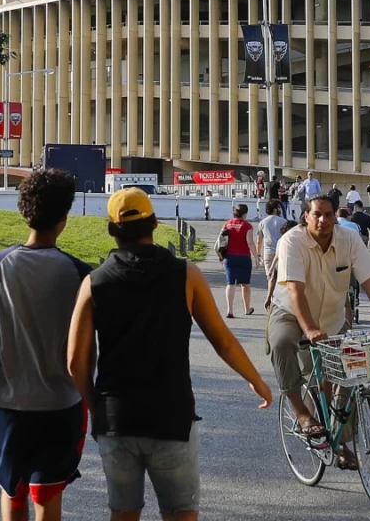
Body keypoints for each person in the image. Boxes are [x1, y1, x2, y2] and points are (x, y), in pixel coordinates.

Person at [66, 188, 272, 521]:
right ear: (156, 223)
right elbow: (223, 341)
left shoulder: (94, 283)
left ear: (110, 230)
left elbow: (75, 360)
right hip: (171, 417)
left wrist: (97, 407)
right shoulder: (186, 274)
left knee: (123, 514)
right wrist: (257, 380)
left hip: (117, 420)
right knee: (180, 514)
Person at [0, 168, 92, 521]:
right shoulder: (79, 273)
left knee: (13, 493)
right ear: (64, 218)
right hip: (62, 403)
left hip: (9, 403)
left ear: (25, 211)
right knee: (46, 496)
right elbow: (85, 351)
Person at [267, 194, 370, 470]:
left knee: (343, 376)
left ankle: (339, 442)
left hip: (333, 318)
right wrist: (310, 328)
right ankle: (302, 413)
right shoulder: (292, 241)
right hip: (292, 312)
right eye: (317, 214)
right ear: (306, 216)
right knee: (281, 343)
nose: (323, 220)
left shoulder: (349, 240)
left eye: (328, 215)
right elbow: (295, 290)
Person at [220, 204, 260, 317]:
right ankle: (247, 309)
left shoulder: (227, 223)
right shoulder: (247, 226)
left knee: (230, 283)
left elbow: (222, 240)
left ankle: (230, 310)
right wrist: (256, 257)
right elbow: (250, 243)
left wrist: (220, 255)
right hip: (244, 257)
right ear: (245, 214)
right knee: (245, 284)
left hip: (229, 257)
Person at [262, 220, 301, 312]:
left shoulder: (282, 239)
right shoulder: (299, 239)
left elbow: (277, 255)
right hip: (293, 264)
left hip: (281, 264)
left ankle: (269, 298)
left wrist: (272, 267)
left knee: (274, 280)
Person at [256, 200, 286, 280]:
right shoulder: (284, 222)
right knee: (281, 279)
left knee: (270, 278)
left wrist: (258, 255)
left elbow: (259, 241)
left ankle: (270, 292)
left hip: (268, 252)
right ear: (276, 209)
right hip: (281, 252)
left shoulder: (262, 222)